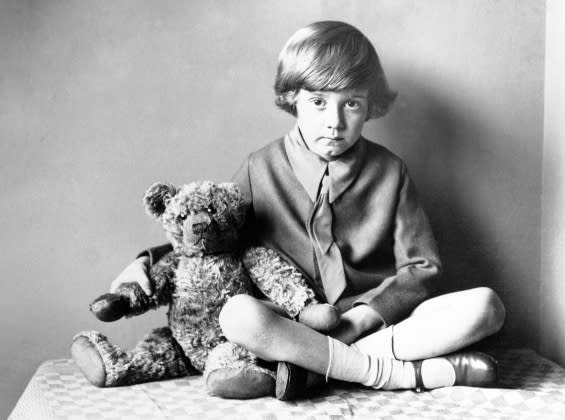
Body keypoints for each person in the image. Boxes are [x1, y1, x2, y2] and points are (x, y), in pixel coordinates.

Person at [112, 20, 505, 400]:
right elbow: (213, 236)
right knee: (238, 315)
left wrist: (362, 319)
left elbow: (422, 268)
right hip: (292, 324)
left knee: (487, 306)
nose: (334, 122)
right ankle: (391, 373)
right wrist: (145, 264)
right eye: (318, 102)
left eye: (351, 104)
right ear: (292, 99)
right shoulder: (260, 167)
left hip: (373, 323)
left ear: (369, 107)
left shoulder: (390, 172)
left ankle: (317, 368)